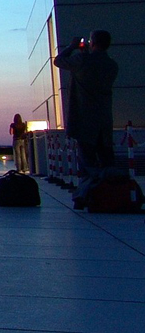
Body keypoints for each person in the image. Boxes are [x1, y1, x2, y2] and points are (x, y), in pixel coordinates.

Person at [55, 30, 118, 207]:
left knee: (87, 162)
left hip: (84, 120)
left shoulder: (82, 60)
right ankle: (111, 195)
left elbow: (58, 61)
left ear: (92, 42)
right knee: (107, 160)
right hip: (104, 120)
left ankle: (85, 196)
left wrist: (73, 46)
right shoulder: (112, 65)